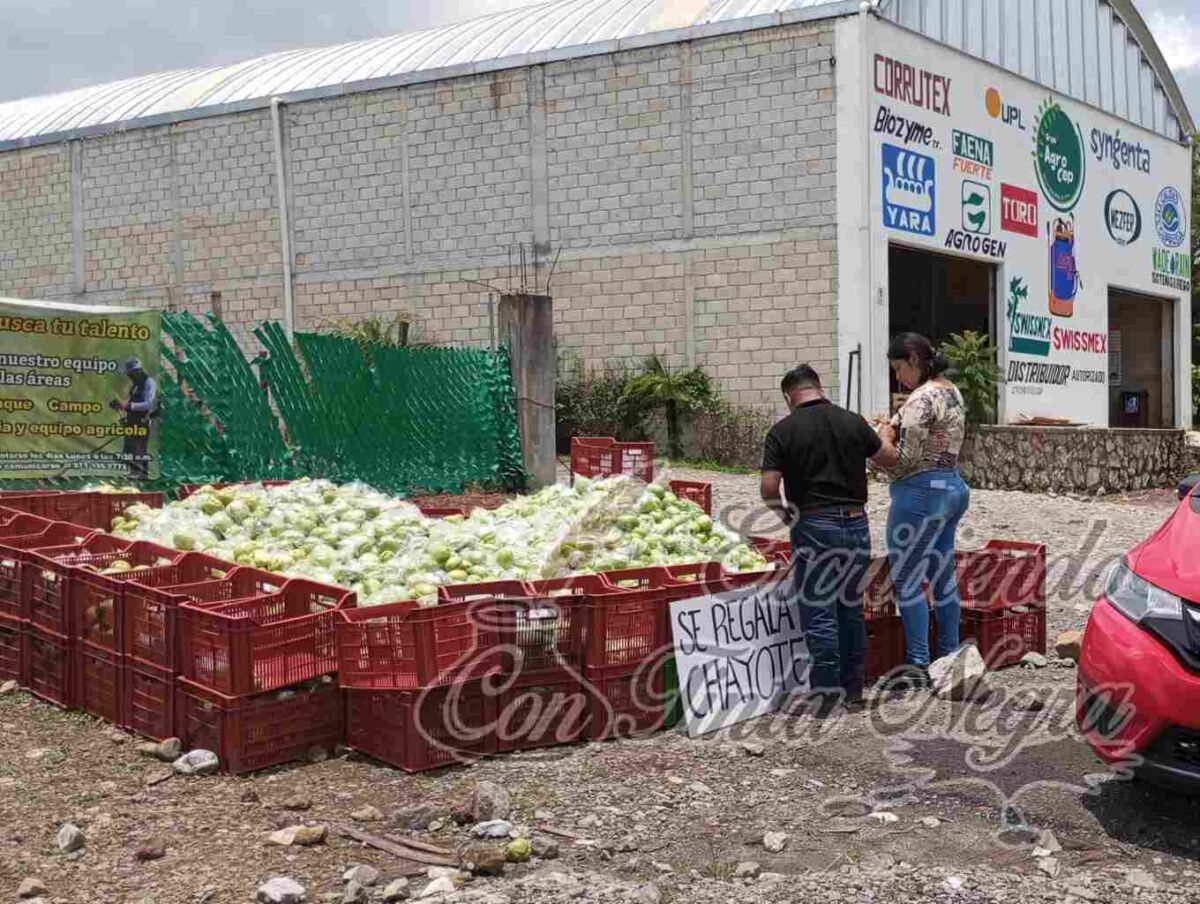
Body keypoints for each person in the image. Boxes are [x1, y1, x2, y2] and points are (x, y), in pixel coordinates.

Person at [761, 365, 898, 715]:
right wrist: (885, 435)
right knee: (850, 609)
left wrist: (785, 515)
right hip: (856, 523)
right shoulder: (852, 421)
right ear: (819, 388)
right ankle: (853, 692)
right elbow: (889, 458)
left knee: (819, 611)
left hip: (814, 525)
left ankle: (825, 697)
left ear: (789, 396)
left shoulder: (783, 430)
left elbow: (768, 488)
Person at [879, 333, 970, 687]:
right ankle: (949, 653)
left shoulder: (921, 399)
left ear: (914, 360)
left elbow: (904, 460)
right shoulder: (951, 391)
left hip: (921, 493)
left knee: (907, 576)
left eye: (899, 368)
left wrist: (882, 439)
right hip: (952, 487)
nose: (898, 377)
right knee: (942, 573)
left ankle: (917, 663)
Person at [110, 357, 159, 480]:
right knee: (129, 448)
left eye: (131, 373)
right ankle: (132, 472)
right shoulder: (136, 385)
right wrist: (120, 405)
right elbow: (132, 401)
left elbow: (148, 404)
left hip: (142, 421)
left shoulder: (149, 382)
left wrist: (128, 405)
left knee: (139, 448)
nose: (130, 376)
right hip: (131, 420)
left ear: (138, 371)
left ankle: (141, 474)